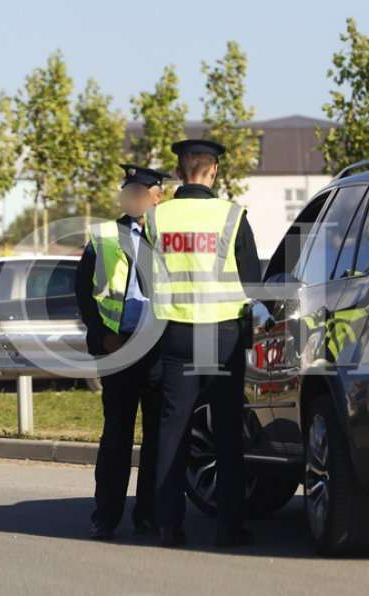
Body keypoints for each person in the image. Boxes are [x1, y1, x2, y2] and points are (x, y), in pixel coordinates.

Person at [145, 139, 261, 548]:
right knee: (228, 432)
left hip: (175, 332)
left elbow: (147, 278)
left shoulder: (156, 217)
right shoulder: (232, 215)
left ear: (179, 172)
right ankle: (228, 526)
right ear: (213, 171)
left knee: (172, 430)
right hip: (222, 334)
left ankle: (167, 525)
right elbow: (251, 281)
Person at [75, 164, 170, 540]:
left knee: (157, 436)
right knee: (116, 434)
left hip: (159, 346)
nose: (134, 197)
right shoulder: (103, 235)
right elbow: (84, 291)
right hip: (118, 345)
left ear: (157, 196)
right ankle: (107, 514)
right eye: (129, 190)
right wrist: (101, 336)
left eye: (141, 191)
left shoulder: (170, 236)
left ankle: (147, 513)